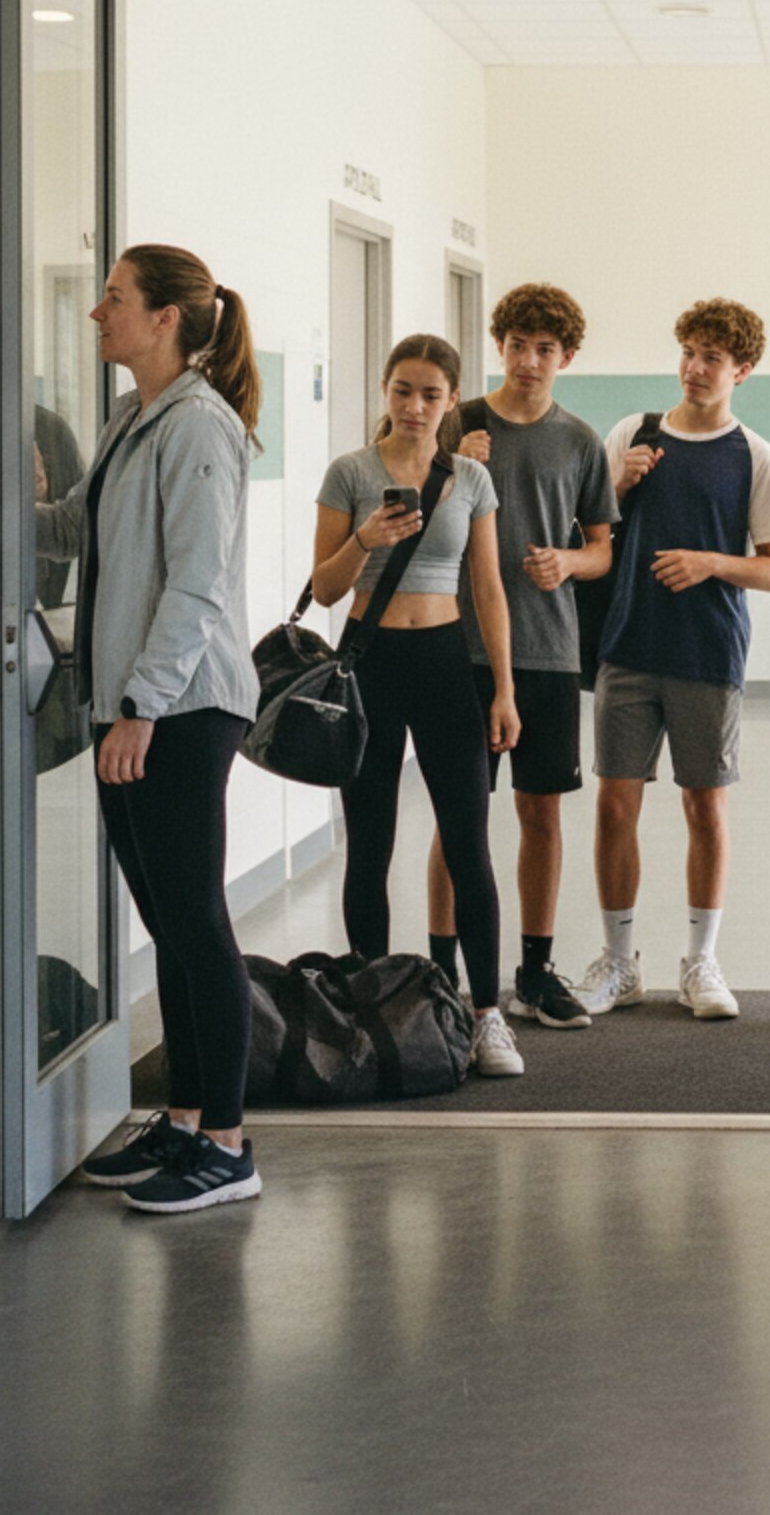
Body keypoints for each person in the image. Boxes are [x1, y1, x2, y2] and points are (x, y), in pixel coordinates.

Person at [0, 243, 266, 1214]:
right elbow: (69, 530)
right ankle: (184, 1123)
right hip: (134, 705)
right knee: (169, 922)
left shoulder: (199, 427)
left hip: (180, 707)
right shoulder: (128, 417)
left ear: (167, 319)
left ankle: (228, 1143)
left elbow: (195, 581)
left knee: (194, 922)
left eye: (113, 299)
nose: (98, 314)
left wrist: (140, 704)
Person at [310, 333, 527, 1078]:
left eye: (430, 393)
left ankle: (487, 1016)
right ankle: (367, 1008)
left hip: (443, 662)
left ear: (450, 399)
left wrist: (503, 687)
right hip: (369, 663)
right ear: (384, 391)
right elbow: (328, 589)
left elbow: (489, 589)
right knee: (369, 845)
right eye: (402, 390)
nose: (414, 406)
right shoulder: (349, 473)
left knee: (468, 841)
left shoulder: (468, 478)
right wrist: (366, 538)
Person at [576, 299, 770, 1023]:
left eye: (713, 358)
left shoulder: (752, 454)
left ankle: (701, 960)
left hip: (708, 653)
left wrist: (708, 563)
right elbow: (589, 534)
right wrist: (620, 487)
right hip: (627, 646)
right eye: (689, 352)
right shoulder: (630, 435)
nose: (696, 369)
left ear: (742, 371)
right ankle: (618, 960)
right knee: (615, 803)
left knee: (706, 805)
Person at [426, 283, 618, 1029]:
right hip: (457, 646)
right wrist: (449, 463)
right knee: (458, 813)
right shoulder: (456, 421)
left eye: (545, 349)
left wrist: (568, 564)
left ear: (566, 357)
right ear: (498, 344)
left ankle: (536, 970)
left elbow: (603, 550)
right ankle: (443, 969)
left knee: (542, 814)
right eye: (517, 345)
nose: (529, 361)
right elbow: (403, 511)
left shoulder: (579, 441)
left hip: (546, 649)